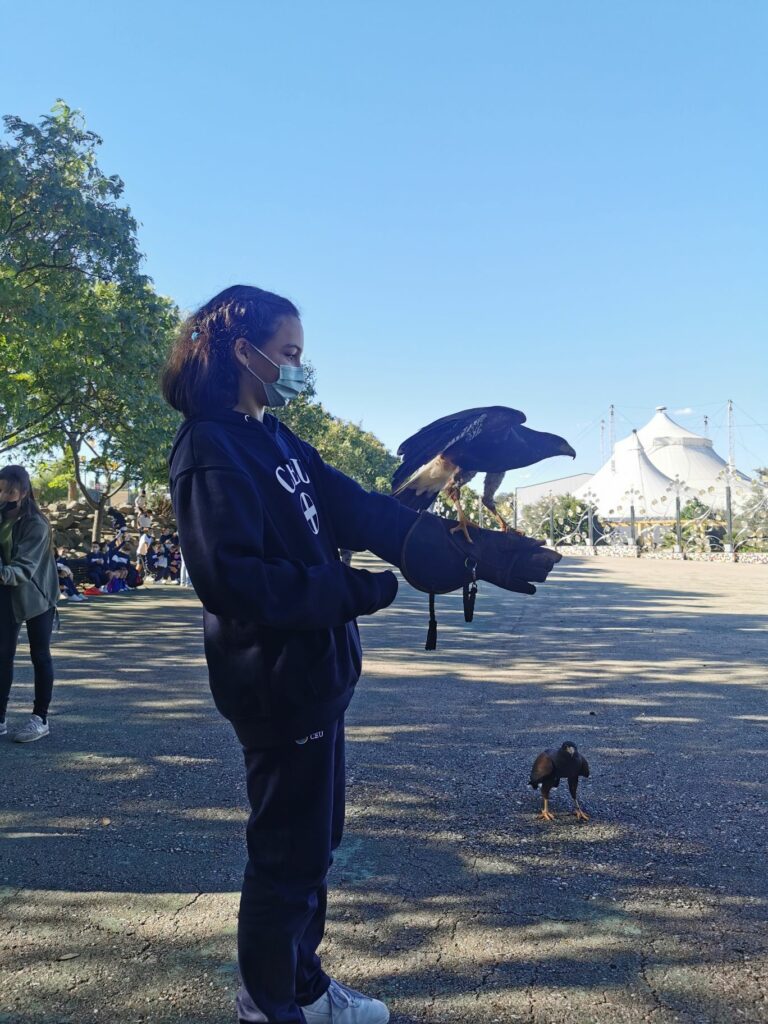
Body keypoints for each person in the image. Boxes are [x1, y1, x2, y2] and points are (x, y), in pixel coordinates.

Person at [163, 284, 560, 1024]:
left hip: (316, 680)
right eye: (288, 354)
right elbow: (231, 579)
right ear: (239, 350)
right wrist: (352, 590)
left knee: (315, 849)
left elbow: (355, 504)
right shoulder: (208, 446)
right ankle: (268, 1007)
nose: (296, 368)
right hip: (274, 685)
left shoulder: (277, 439)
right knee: (285, 862)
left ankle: (302, 986)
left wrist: (446, 547)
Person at [0, 465, 61, 743]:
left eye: (10, 490)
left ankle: (40, 718)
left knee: (40, 654)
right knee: (2, 657)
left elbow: (24, 568)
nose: (3, 495)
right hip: (7, 594)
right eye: (0, 489)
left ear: (24, 492)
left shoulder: (37, 523)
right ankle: (0, 718)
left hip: (38, 595)